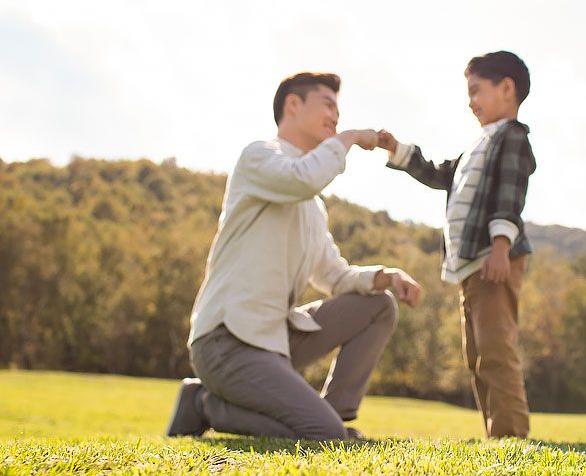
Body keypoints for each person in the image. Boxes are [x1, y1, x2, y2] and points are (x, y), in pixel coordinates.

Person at [166, 71, 421, 443]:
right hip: (227, 340)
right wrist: (349, 138)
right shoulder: (259, 158)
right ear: (293, 104)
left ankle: (332, 415)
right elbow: (303, 178)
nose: (336, 116)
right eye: (328, 104)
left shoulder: (313, 207)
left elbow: (334, 277)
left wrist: (387, 276)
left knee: (379, 305)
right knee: (323, 434)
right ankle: (203, 403)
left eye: (339, 110)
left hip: (276, 338)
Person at [378, 51, 535, 439]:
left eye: (476, 91)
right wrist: (397, 149)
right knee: (477, 355)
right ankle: (495, 433)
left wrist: (500, 246)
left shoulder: (511, 139)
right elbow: (437, 174)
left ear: (507, 89)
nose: (470, 101)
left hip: (494, 260)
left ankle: (511, 435)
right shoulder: (477, 146)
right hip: (472, 266)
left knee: (496, 349)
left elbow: (510, 197)